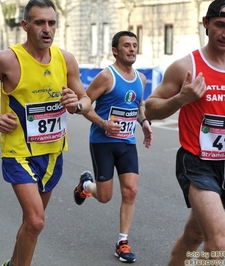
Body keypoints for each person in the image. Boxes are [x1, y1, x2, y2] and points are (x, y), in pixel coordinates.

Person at [144, 1, 225, 265]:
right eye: (220, 25)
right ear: (206, 24)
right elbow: (150, 109)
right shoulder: (185, 67)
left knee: (195, 234)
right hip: (196, 162)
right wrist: (181, 98)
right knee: (219, 242)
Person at [0, 1, 91, 265]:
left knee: (31, 223)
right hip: (19, 154)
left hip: (52, 154)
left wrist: (77, 103)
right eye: (40, 23)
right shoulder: (7, 59)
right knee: (36, 221)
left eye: (51, 23)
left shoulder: (66, 59)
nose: (47, 29)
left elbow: (85, 99)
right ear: (25, 25)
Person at [73, 31, 153, 263]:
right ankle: (86, 185)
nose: (132, 49)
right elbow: (85, 105)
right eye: (126, 45)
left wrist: (145, 122)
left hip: (127, 142)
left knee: (131, 190)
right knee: (105, 196)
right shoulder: (106, 77)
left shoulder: (141, 79)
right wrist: (103, 123)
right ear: (115, 51)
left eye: (135, 45)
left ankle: (122, 242)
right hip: (103, 142)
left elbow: (138, 105)